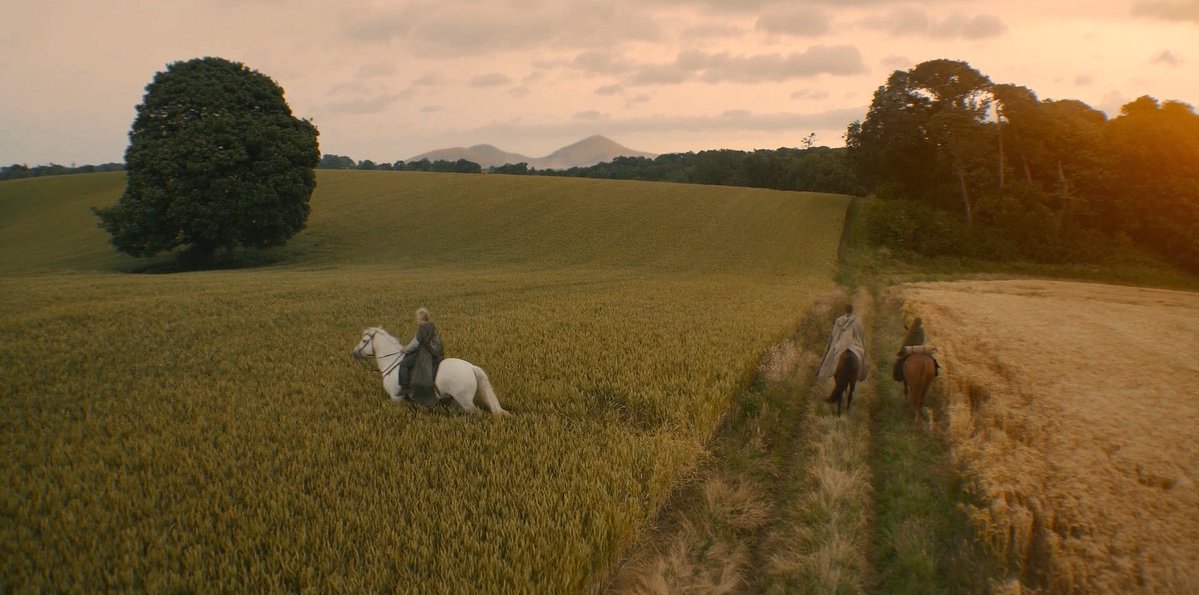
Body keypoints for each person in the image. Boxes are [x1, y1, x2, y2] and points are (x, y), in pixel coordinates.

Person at [396, 307, 445, 405]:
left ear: (421, 318)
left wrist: (404, 349)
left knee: (404, 364)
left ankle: (406, 390)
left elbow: (415, 344)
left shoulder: (422, 328)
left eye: (417, 317)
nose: (416, 319)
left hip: (427, 353)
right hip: (436, 352)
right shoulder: (431, 326)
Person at [817, 303, 867, 381]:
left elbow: (834, 335)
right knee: (861, 354)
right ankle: (860, 375)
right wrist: (862, 346)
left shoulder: (838, 320)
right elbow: (860, 335)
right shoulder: (856, 321)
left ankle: (827, 370)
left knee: (832, 354)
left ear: (845, 310)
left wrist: (832, 345)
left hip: (840, 345)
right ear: (852, 310)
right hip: (854, 344)